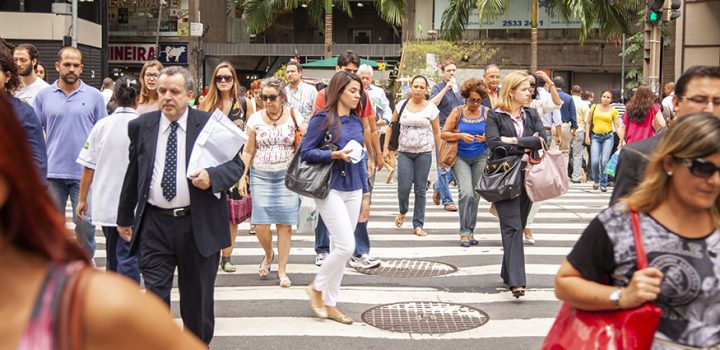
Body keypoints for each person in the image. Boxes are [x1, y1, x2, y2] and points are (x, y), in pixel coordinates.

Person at [0, 97, 207, 350]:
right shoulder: (122, 125)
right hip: (121, 209)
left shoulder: (94, 307)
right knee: (122, 258)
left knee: (125, 259)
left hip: (144, 214)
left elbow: (94, 166)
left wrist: (89, 200)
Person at [554, 113, 720, 350]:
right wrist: (622, 296)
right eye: (703, 168)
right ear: (669, 163)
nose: (714, 180)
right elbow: (565, 283)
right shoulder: (620, 224)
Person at [116, 66, 245, 344]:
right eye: (162, 91)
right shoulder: (141, 126)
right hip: (154, 224)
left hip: (197, 225)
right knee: (154, 298)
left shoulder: (209, 125)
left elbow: (236, 165)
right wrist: (124, 216)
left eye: (174, 92)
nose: (167, 97)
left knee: (196, 303)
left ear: (189, 94)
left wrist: (212, 177)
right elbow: (134, 171)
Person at [301, 70, 368, 325]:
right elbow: (306, 152)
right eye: (352, 91)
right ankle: (316, 287)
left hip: (354, 187)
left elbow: (362, 159)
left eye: (358, 92)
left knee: (342, 250)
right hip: (329, 187)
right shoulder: (322, 119)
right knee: (345, 246)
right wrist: (334, 155)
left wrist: (366, 193)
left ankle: (330, 304)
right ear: (338, 91)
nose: (356, 96)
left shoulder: (357, 121)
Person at [312, 50, 383, 268]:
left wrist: (374, 156)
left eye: (355, 71)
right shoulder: (324, 95)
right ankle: (323, 249)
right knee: (328, 206)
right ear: (337, 70)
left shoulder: (361, 94)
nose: (352, 75)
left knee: (360, 204)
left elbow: (368, 127)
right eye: (347, 71)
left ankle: (359, 251)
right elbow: (316, 132)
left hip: (355, 156)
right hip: (330, 160)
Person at [33, 46, 107, 256]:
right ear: (57, 66)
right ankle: (55, 264)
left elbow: (101, 134)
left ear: (82, 68)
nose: (71, 69)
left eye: (76, 65)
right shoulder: (43, 96)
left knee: (86, 225)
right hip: (52, 173)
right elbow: (35, 132)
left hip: (84, 174)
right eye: (67, 64)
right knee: (51, 226)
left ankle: (85, 261)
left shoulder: (94, 97)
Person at [610, 65, 720, 205]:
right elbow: (619, 219)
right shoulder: (636, 156)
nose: (710, 109)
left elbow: (622, 125)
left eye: (718, 101)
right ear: (677, 103)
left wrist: (622, 139)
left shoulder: (632, 109)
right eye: (699, 99)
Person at [485, 71, 546, 298]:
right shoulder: (495, 115)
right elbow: (493, 144)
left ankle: (507, 271)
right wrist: (525, 144)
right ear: (511, 92)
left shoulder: (531, 113)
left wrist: (513, 141)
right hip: (503, 175)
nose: (529, 92)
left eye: (529, 88)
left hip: (527, 175)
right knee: (512, 226)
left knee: (518, 225)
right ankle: (517, 282)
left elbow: (542, 141)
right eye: (523, 89)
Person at [76, 75, 141, 284]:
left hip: (106, 201)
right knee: (128, 257)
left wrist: (82, 198)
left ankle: (113, 300)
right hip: (133, 203)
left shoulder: (102, 126)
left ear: (114, 96)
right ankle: (126, 304)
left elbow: (88, 166)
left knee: (113, 254)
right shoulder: (143, 125)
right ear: (138, 97)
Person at [237, 77, 301, 287]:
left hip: (287, 176)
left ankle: (282, 270)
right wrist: (242, 177)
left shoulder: (294, 116)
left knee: (285, 225)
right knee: (260, 223)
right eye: (264, 97)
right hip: (261, 174)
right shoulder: (255, 119)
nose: (268, 101)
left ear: (282, 97)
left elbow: (305, 141)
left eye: (272, 97)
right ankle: (268, 253)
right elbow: (248, 150)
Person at [200, 61, 253, 273]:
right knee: (212, 211)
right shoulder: (206, 103)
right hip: (211, 163)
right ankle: (211, 252)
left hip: (235, 164)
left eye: (227, 78)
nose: (223, 81)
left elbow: (249, 142)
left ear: (234, 80)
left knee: (232, 215)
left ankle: (227, 256)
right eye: (219, 78)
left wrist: (244, 173)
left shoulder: (245, 104)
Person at [384, 75, 441, 237]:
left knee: (420, 189)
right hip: (404, 153)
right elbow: (391, 126)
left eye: (421, 87)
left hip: (423, 153)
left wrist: (441, 153)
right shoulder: (401, 105)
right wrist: (386, 149)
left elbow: (437, 133)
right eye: (415, 86)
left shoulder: (431, 108)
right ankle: (402, 210)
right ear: (411, 87)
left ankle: (418, 224)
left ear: (426, 90)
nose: (418, 89)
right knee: (403, 187)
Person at [440, 78, 489, 247]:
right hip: (460, 157)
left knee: (475, 195)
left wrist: (486, 138)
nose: (474, 103)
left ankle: (471, 230)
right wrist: (460, 136)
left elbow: (495, 136)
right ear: (465, 98)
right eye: (471, 100)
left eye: (477, 100)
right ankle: (463, 231)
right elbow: (444, 134)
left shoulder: (487, 113)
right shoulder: (457, 111)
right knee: (466, 193)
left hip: (481, 156)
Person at [523, 71, 562, 245]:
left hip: (535, 150)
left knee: (537, 189)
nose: (529, 88)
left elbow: (557, 103)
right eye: (526, 84)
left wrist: (549, 82)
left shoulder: (538, 104)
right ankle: (515, 223)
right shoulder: (510, 103)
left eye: (532, 85)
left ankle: (527, 224)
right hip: (515, 150)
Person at [0, 48, 46, 180]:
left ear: (7, 76)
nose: (19, 63)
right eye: (16, 60)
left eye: (23, 60)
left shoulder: (23, 113)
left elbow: (37, 163)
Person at [430, 59, 462, 212]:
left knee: (457, 166)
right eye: (448, 70)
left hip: (458, 130)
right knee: (443, 165)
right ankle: (447, 200)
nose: (451, 73)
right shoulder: (438, 88)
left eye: (453, 70)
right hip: (442, 130)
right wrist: (446, 89)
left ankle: (438, 186)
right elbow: (432, 104)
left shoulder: (459, 89)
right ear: (443, 72)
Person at [584, 89, 625, 192]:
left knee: (604, 162)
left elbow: (617, 126)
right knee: (594, 161)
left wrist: (622, 139)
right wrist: (587, 136)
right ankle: (596, 180)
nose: (606, 99)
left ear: (611, 100)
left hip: (608, 137)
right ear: (601, 97)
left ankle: (603, 183)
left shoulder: (613, 110)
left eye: (608, 97)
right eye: (604, 96)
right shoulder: (594, 107)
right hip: (595, 137)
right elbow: (588, 122)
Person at [552, 76, 578, 158]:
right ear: (563, 85)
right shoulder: (569, 98)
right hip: (565, 126)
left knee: (552, 152)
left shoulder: (549, 96)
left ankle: (553, 170)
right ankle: (563, 170)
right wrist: (574, 130)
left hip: (551, 126)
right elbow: (573, 115)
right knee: (564, 152)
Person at [570, 85, 589, 183]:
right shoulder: (584, 104)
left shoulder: (566, 100)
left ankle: (563, 175)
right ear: (581, 92)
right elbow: (587, 121)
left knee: (564, 154)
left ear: (571, 91)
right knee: (577, 155)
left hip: (564, 129)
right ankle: (575, 176)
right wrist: (587, 136)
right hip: (579, 130)